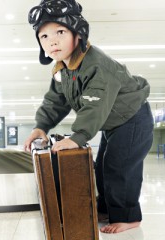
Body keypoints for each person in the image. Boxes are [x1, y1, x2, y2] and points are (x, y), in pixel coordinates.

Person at [24, 0, 154, 234]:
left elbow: (95, 104)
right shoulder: (63, 69)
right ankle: (106, 208)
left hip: (133, 119)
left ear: (79, 34)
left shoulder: (97, 65)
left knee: (118, 167)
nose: (52, 40)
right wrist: (41, 126)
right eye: (44, 37)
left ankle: (128, 217)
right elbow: (56, 100)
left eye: (60, 32)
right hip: (114, 122)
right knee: (103, 167)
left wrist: (78, 137)